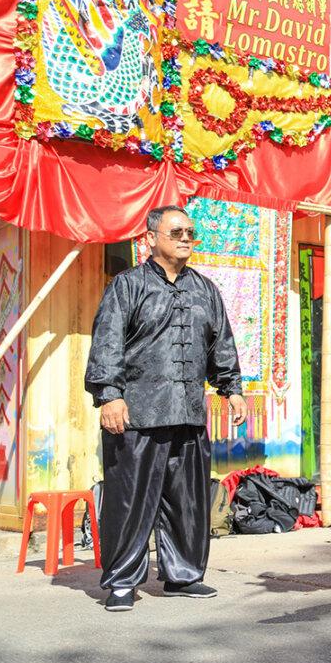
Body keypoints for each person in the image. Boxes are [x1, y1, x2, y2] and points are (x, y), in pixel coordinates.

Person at [85, 205, 246, 612]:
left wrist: (232, 388)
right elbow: (107, 342)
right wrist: (109, 395)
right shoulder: (127, 286)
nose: (186, 237)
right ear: (151, 237)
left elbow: (220, 343)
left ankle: (183, 576)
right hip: (136, 412)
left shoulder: (205, 289)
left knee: (187, 500)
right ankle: (122, 581)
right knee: (130, 501)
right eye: (176, 231)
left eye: (191, 231)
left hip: (188, 412)